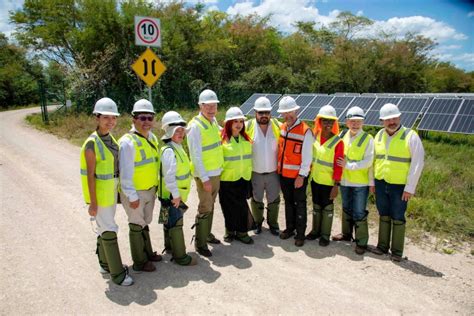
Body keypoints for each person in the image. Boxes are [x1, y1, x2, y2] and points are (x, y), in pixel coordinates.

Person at [80, 97, 133, 286]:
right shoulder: (91, 144)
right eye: (106, 118)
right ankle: (117, 275)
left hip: (110, 195)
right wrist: (93, 203)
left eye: (113, 118)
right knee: (109, 229)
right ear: (97, 118)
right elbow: (90, 176)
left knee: (104, 227)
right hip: (100, 197)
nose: (110, 121)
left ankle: (104, 263)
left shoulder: (110, 138)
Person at [370, 103, 424, 262]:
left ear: (400, 117)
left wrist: (410, 187)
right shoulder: (378, 135)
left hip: (400, 186)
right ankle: (382, 247)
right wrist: (372, 182)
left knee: (398, 216)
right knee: (383, 214)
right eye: (387, 119)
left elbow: (418, 163)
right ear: (381, 121)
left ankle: (397, 252)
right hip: (381, 183)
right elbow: (374, 160)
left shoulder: (410, 135)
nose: (391, 122)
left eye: (394, 118)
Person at [119, 99, 161, 272]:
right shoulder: (127, 142)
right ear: (134, 119)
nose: (146, 122)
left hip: (150, 190)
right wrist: (132, 196)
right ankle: (139, 262)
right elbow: (125, 173)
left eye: (149, 118)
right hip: (135, 192)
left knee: (145, 222)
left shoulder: (152, 138)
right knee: (136, 224)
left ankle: (148, 253)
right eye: (142, 118)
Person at [187, 89, 224, 257]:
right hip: (206, 176)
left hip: (216, 172)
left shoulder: (213, 121)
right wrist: (204, 178)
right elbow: (195, 156)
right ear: (200, 106)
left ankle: (207, 234)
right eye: (207, 106)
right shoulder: (195, 126)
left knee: (211, 205)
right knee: (205, 207)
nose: (211, 109)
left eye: (214, 106)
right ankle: (200, 243)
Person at [158, 111, 197, 266]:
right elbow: (169, 176)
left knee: (167, 221)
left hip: (170, 195)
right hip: (172, 196)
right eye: (177, 131)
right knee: (176, 223)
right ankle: (180, 256)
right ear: (169, 132)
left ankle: (170, 248)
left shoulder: (176, 147)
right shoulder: (169, 151)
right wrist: (175, 195)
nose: (181, 133)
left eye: (182, 130)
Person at [332, 106, 373, 255]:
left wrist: (349, 166)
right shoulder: (343, 136)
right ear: (347, 122)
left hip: (360, 183)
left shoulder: (368, 139)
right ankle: (346, 235)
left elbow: (369, 161)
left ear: (363, 122)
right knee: (346, 208)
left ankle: (361, 242)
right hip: (345, 182)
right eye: (352, 121)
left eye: (358, 121)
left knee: (359, 212)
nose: (355, 124)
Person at [277, 96, 313, 247]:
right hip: (283, 174)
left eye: (290, 112)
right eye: (284, 113)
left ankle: (300, 234)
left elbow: (307, 158)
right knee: (288, 202)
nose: (287, 115)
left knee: (300, 204)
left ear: (296, 110)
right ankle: (290, 228)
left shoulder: (306, 131)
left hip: (298, 176)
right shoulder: (282, 128)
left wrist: (301, 176)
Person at [306, 105, 344, 247]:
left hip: (329, 183)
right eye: (325, 121)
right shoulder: (314, 138)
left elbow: (338, 166)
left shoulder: (338, 142)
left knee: (327, 207)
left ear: (334, 124)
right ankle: (315, 231)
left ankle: (325, 235)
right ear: (319, 122)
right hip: (315, 180)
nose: (328, 124)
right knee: (316, 206)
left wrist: (336, 185)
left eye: (331, 121)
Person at [245, 97, 281, 236]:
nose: (264, 115)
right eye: (261, 113)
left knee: (274, 200)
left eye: (266, 112)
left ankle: (273, 224)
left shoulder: (277, 125)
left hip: (273, 172)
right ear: (255, 113)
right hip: (255, 172)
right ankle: (258, 223)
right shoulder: (248, 126)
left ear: (270, 113)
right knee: (256, 199)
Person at [219, 107, 255, 244]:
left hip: (243, 179)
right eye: (235, 122)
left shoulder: (246, 140)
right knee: (227, 207)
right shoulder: (222, 140)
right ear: (229, 123)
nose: (239, 124)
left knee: (241, 207)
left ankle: (242, 232)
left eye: (241, 121)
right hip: (227, 180)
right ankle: (229, 231)